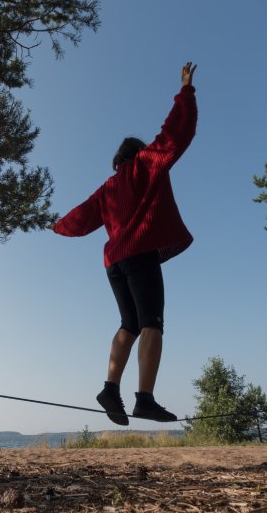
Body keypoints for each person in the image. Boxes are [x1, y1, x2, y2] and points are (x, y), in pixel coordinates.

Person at [52, 62, 198, 424]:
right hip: (137, 256)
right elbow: (174, 135)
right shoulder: (146, 166)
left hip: (113, 264)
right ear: (140, 153)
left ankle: (109, 388)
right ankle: (144, 398)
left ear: (117, 159)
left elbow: (81, 219)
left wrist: (54, 226)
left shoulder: (107, 187)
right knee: (152, 324)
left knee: (128, 325)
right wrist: (185, 92)